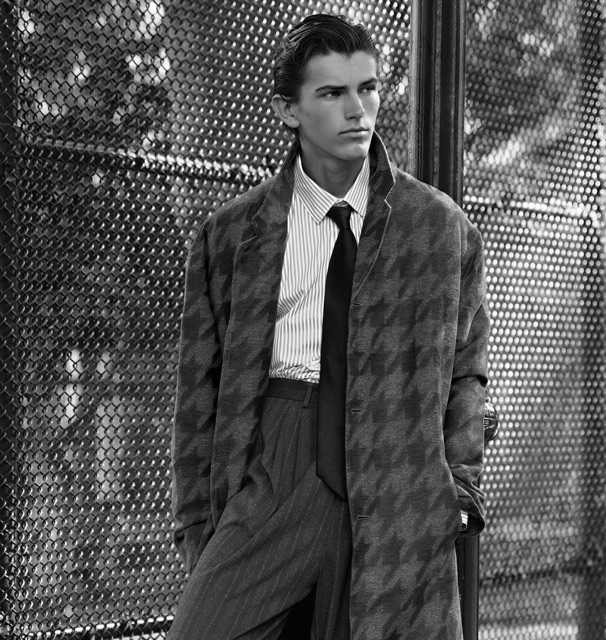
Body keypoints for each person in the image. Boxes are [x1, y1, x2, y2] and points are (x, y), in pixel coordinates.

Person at [168, 12, 489, 640]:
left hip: (398, 465)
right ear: (289, 110)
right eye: (332, 92)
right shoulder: (230, 234)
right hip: (276, 458)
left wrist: (458, 491)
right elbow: (197, 390)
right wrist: (195, 521)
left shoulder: (439, 227)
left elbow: (467, 371)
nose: (357, 110)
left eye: (367, 88)